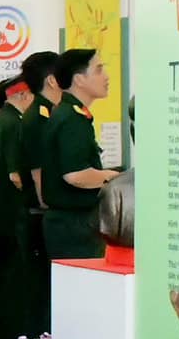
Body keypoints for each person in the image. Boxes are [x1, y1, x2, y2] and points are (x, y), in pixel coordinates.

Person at [41, 49, 120, 259]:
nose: (106, 77)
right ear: (79, 80)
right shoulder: (72, 118)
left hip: (71, 223)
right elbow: (75, 175)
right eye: (98, 70)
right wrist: (115, 179)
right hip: (74, 225)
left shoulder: (70, 113)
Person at [0, 76, 38, 339]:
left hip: (4, 217)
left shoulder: (0, 121)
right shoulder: (13, 123)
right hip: (15, 217)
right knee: (14, 282)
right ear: (22, 95)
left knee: (6, 278)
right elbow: (16, 176)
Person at [15, 50, 63, 336]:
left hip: (45, 217)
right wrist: (50, 205)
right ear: (53, 80)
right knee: (41, 295)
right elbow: (38, 173)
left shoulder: (53, 112)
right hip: (39, 217)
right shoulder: (38, 116)